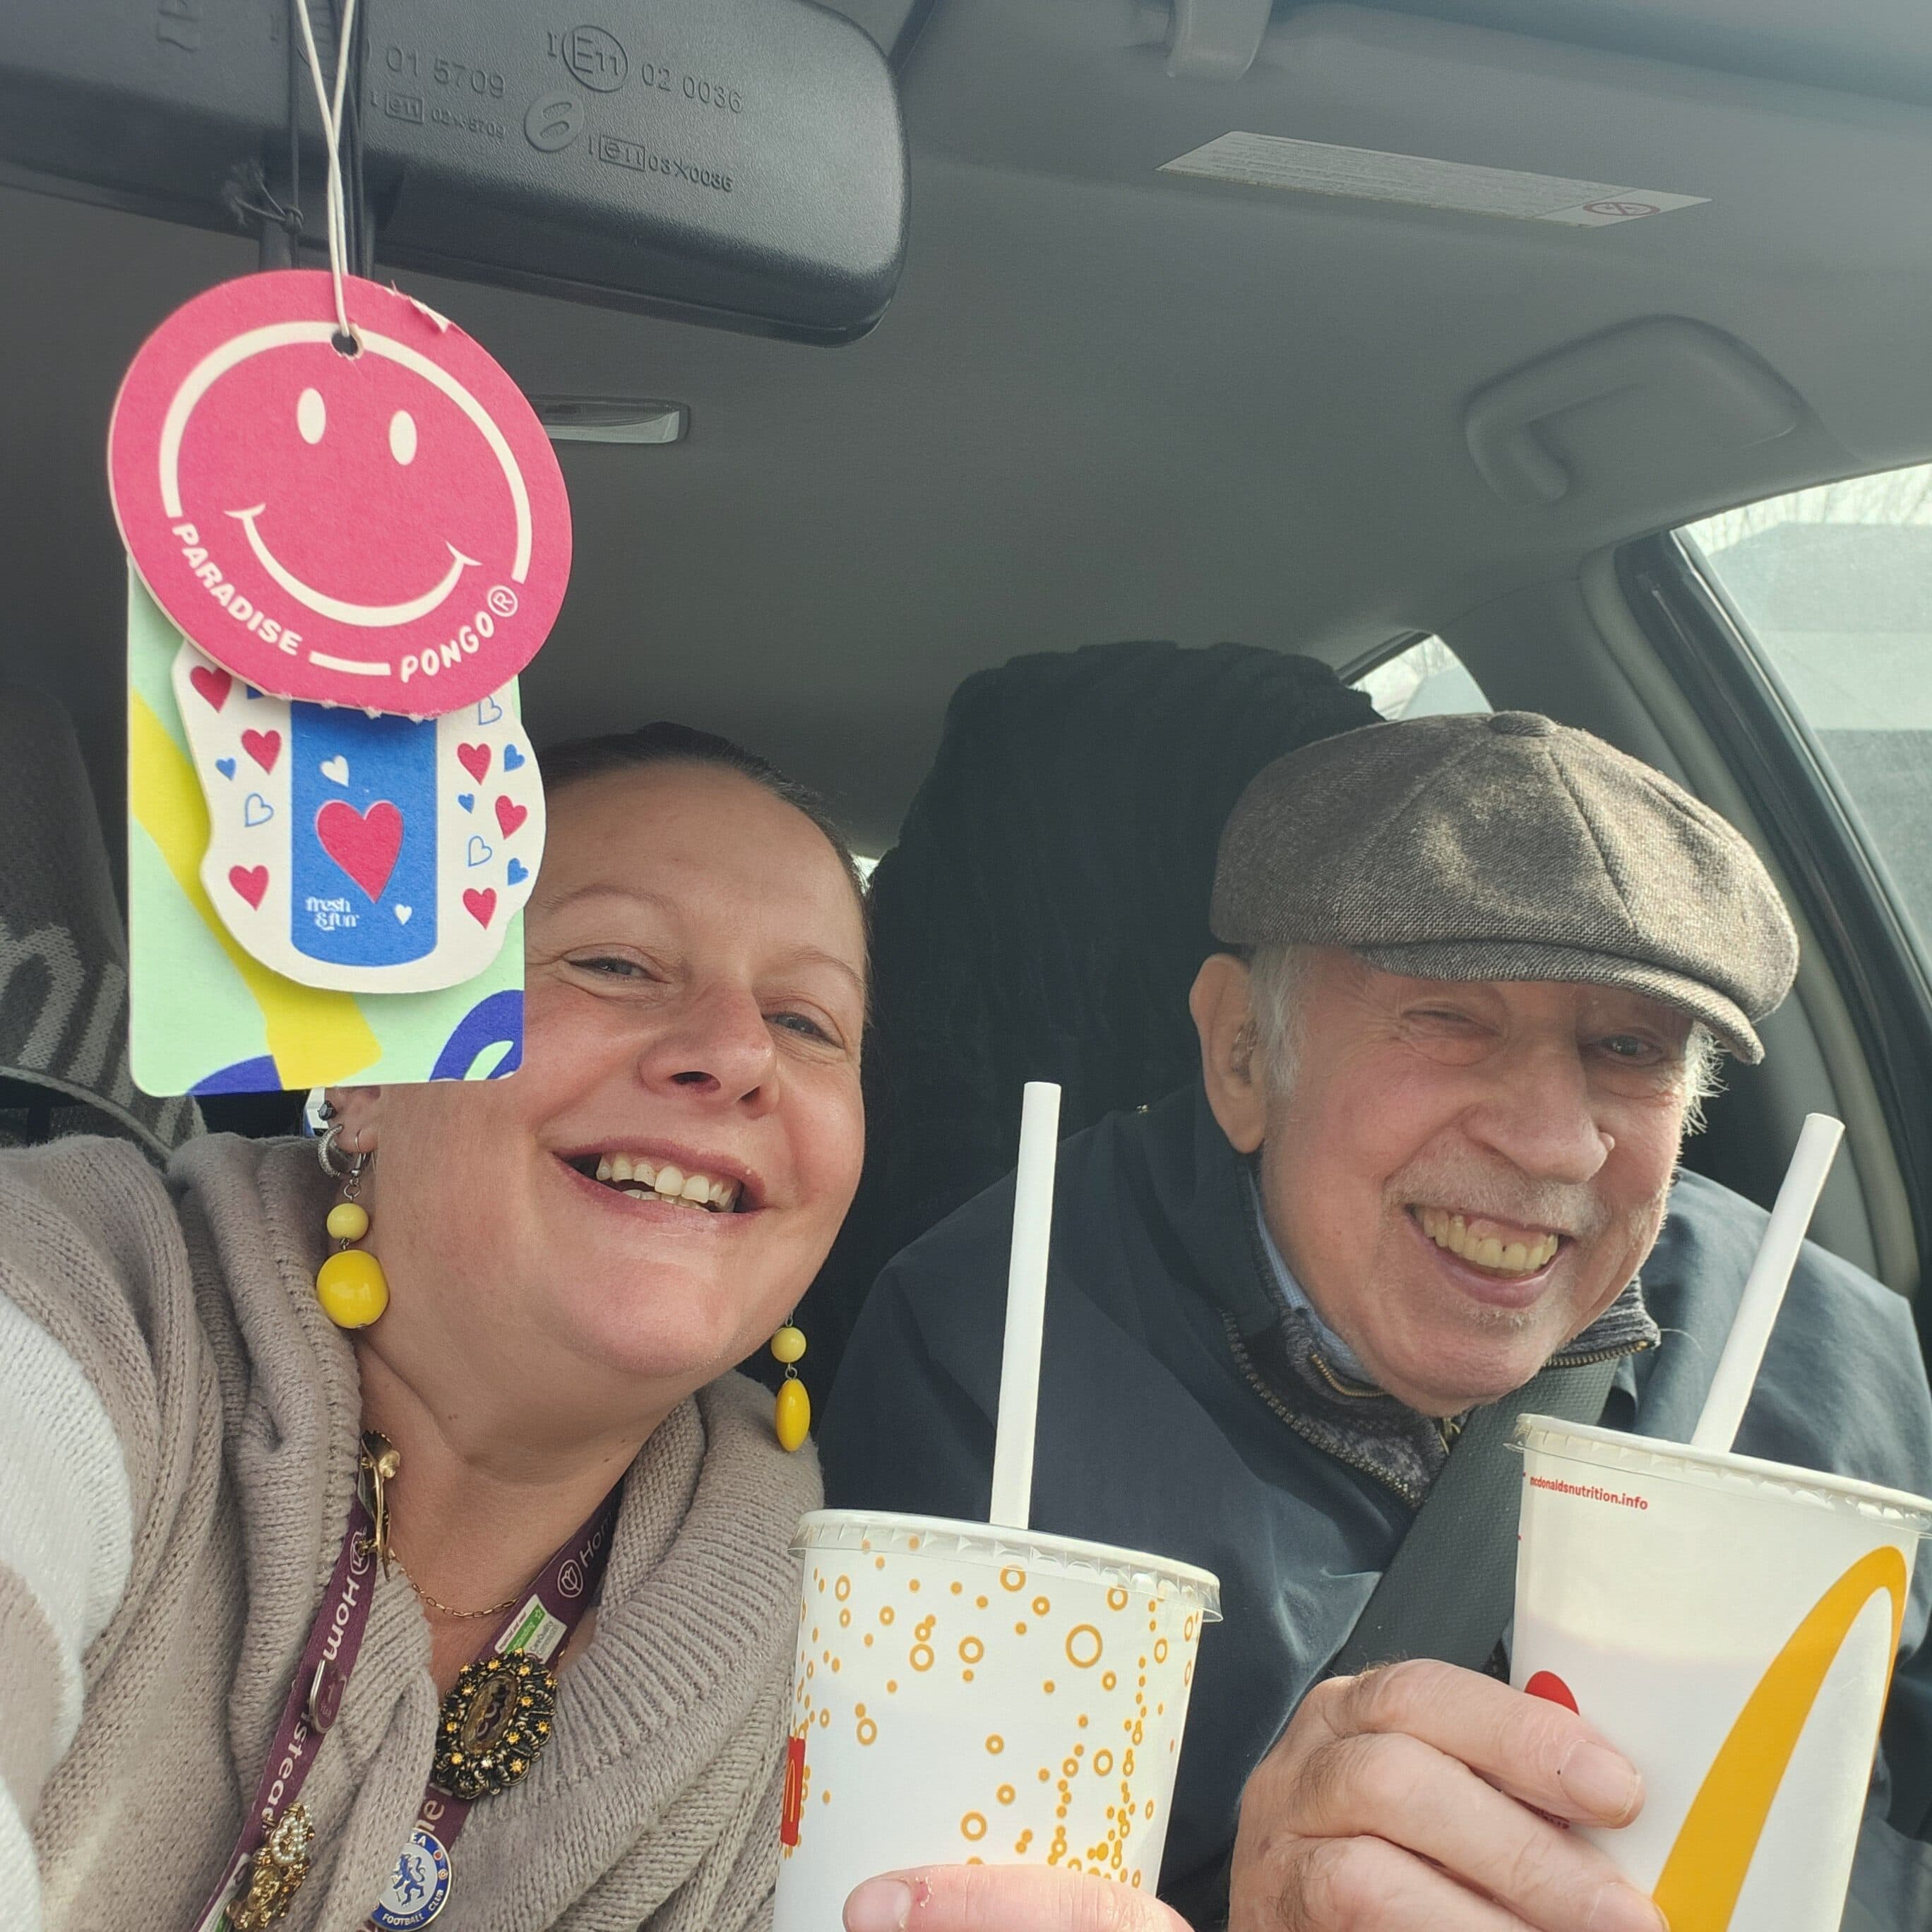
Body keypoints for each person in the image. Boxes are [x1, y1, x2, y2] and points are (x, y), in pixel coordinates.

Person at [1, 720, 1145, 1932]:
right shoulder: (86, 1298)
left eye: (808, 1022)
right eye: (616, 964)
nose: (739, 1053)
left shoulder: (833, 1683)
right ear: (371, 1075)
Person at [821, 711, 1932, 1931]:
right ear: (1244, 1053)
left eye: (1627, 1049)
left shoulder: (1834, 1361)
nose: (1556, 1141)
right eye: (1452, 1019)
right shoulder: (986, 1341)